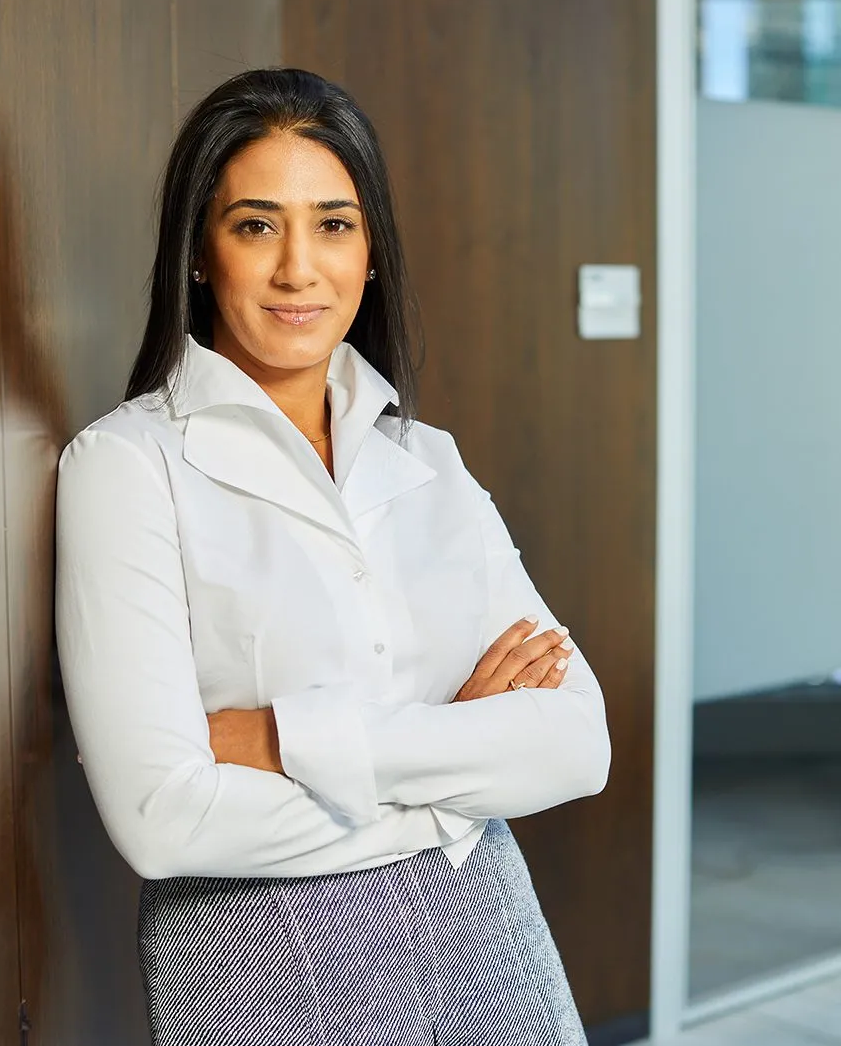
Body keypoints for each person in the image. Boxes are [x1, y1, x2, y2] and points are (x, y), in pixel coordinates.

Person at [55, 67, 610, 1046]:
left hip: (487, 931)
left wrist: (282, 739)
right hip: (271, 960)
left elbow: (575, 741)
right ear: (198, 249)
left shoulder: (426, 463)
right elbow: (162, 820)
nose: (297, 270)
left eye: (334, 225)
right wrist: (454, 749)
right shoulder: (126, 467)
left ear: (371, 251)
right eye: (256, 225)